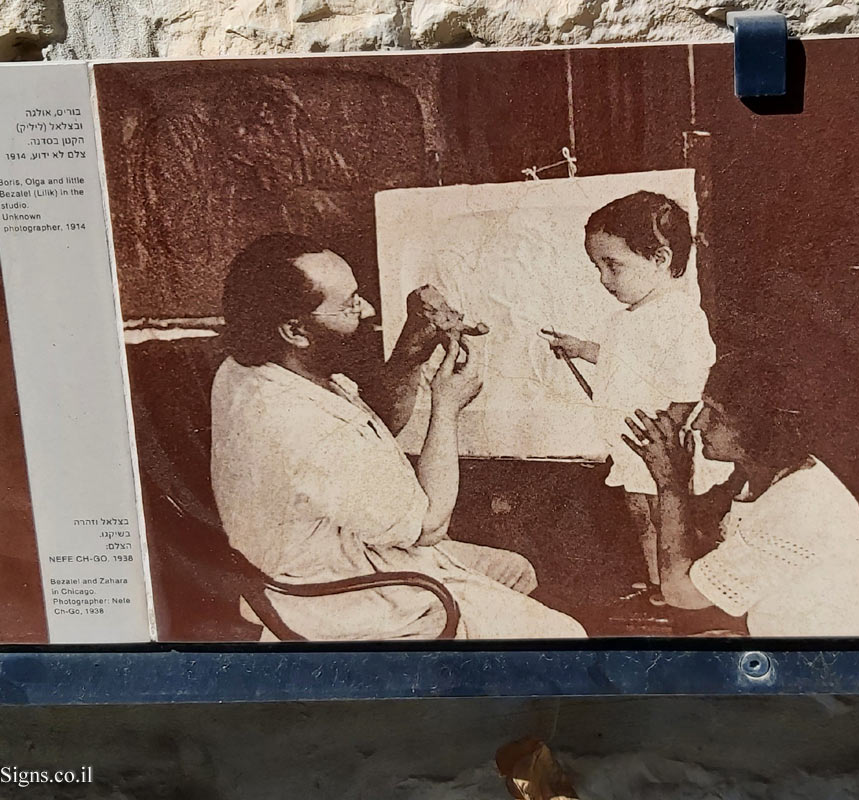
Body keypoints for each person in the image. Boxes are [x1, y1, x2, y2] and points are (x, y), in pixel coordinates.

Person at [210, 233, 585, 640]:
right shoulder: (296, 423)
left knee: (514, 571)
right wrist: (446, 407)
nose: (367, 309)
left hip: (335, 553)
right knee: (564, 635)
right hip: (335, 596)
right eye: (350, 304)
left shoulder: (257, 369)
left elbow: (376, 424)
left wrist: (412, 349)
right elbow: (428, 525)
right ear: (295, 331)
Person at [621, 354, 859, 637]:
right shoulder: (774, 480)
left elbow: (681, 592)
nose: (698, 423)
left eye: (715, 415)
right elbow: (707, 559)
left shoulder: (796, 504)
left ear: (756, 430)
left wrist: (670, 485)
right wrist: (674, 486)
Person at [541, 190, 726, 604]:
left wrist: (664, 437)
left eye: (613, 265)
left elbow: (690, 386)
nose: (604, 279)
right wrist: (580, 348)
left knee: (670, 516)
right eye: (597, 267)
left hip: (661, 447)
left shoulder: (680, 316)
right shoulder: (625, 319)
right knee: (642, 514)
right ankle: (660, 587)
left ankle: (688, 586)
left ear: (660, 260)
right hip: (633, 445)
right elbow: (618, 360)